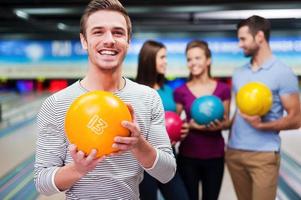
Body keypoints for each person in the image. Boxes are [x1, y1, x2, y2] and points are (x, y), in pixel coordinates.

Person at [34, 1, 176, 199]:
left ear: (128, 40)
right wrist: (78, 169)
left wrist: (138, 144)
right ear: (84, 40)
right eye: (98, 32)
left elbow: (167, 173)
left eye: (118, 32)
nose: (109, 40)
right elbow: (42, 183)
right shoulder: (56, 104)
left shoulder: (148, 98)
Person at [226, 15, 301, 200]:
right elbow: (238, 113)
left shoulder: (283, 73)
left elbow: (296, 119)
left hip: (264, 154)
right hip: (235, 153)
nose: (239, 44)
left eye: (243, 39)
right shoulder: (239, 73)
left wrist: (262, 126)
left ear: (259, 37)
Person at [173, 40, 231, 200]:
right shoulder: (180, 91)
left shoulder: (223, 89)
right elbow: (177, 124)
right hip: (188, 156)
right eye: (189, 59)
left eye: (197, 58)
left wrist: (218, 125)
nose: (193, 63)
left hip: (215, 156)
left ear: (208, 60)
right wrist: (189, 126)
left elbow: (226, 122)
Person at [136, 40, 189, 200]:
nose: (166, 61)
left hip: (168, 154)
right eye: (162, 57)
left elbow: (173, 121)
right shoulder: (136, 91)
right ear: (149, 59)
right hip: (144, 158)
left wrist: (182, 130)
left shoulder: (168, 90)